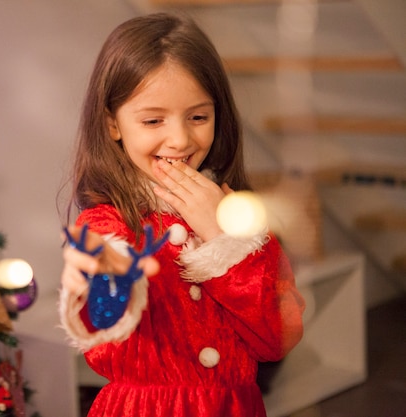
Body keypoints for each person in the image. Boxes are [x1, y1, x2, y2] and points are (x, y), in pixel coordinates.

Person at [58, 12, 305, 417]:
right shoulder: (107, 224)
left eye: (198, 117)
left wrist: (226, 241)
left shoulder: (240, 218)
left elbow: (279, 338)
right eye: (153, 120)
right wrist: (98, 278)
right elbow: (101, 323)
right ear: (113, 124)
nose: (180, 139)